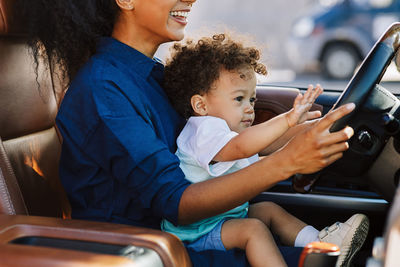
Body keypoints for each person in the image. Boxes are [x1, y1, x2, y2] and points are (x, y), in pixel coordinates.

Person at [18, 0, 363, 266]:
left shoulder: (151, 76)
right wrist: (286, 163)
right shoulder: (103, 89)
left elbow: (219, 148)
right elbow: (177, 203)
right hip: (153, 249)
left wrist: (307, 129)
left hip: (192, 234)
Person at [160, 33, 369, 267]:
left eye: (252, 99)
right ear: (201, 105)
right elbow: (242, 147)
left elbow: (262, 144)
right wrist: (287, 120)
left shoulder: (226, 131)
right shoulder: (203, 129)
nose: (250, 108)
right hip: (195, 233)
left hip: (219, 218)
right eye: (239, 99)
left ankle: (322, 243)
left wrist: (316, 126)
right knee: (253, 229)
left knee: (269, 210)